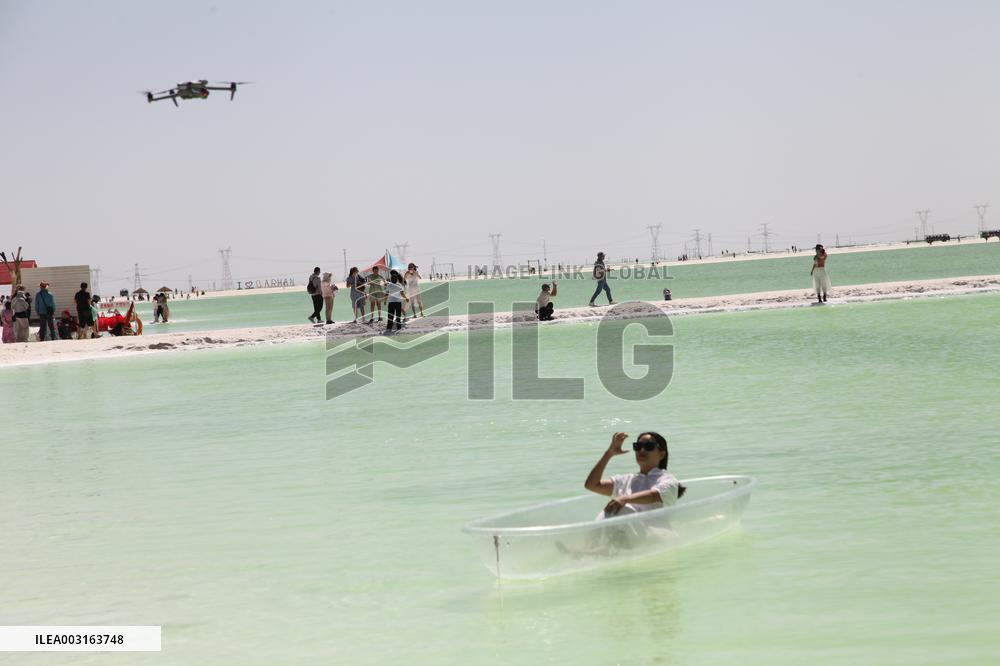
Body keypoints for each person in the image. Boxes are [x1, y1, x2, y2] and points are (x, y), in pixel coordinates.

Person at [584, 431, 684, 518]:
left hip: (655, 536)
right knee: (612, 510)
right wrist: (609, 453)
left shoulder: (668, 480)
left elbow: (654, 496)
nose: (642, 450)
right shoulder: (626, 480)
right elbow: (591, 485)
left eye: (649, 446)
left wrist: (624, 499)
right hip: (625, 535)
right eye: (638, 446)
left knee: (623, 509)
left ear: (662, 454)